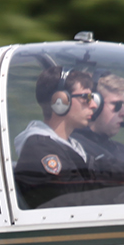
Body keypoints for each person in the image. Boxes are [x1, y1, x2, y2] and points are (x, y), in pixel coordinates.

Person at [11, 67, 106, 208]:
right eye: (86, 97)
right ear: (60, 101)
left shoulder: (73, 147)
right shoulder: (40, 149)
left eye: (92, 98)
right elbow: (75, 199)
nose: (93, 105)